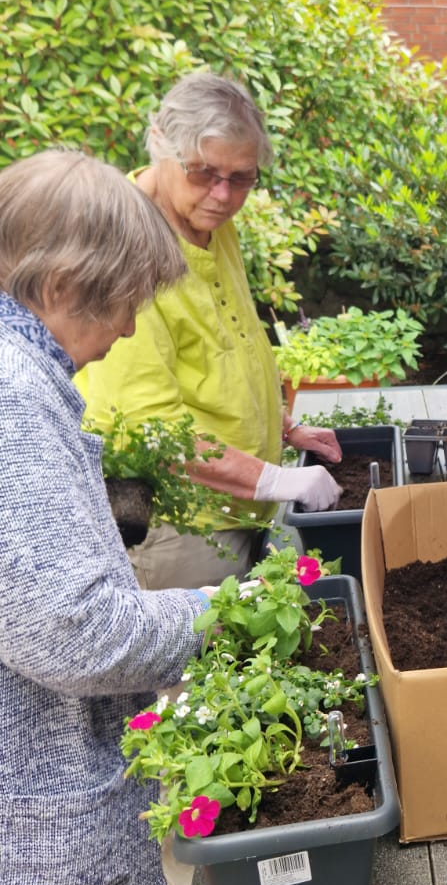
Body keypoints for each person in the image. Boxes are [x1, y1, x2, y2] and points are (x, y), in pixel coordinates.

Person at [0, 151, 211, 885]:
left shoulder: (22, 371)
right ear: (63, 283)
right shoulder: (10, 397)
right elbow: (70, 628)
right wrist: (223, 615)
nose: (129, 328)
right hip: (17, 826)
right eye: (123, 299)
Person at [80, 71, 343, 590]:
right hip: (180, 525)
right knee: (192, 666)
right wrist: (276, 477)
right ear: (160, 144)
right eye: (204, 173)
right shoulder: (125, 251)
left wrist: (283, 428)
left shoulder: (210, 219)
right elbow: (148, 428)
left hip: (241, 502)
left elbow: (230, 346)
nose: (223, 195)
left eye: (241, 178)